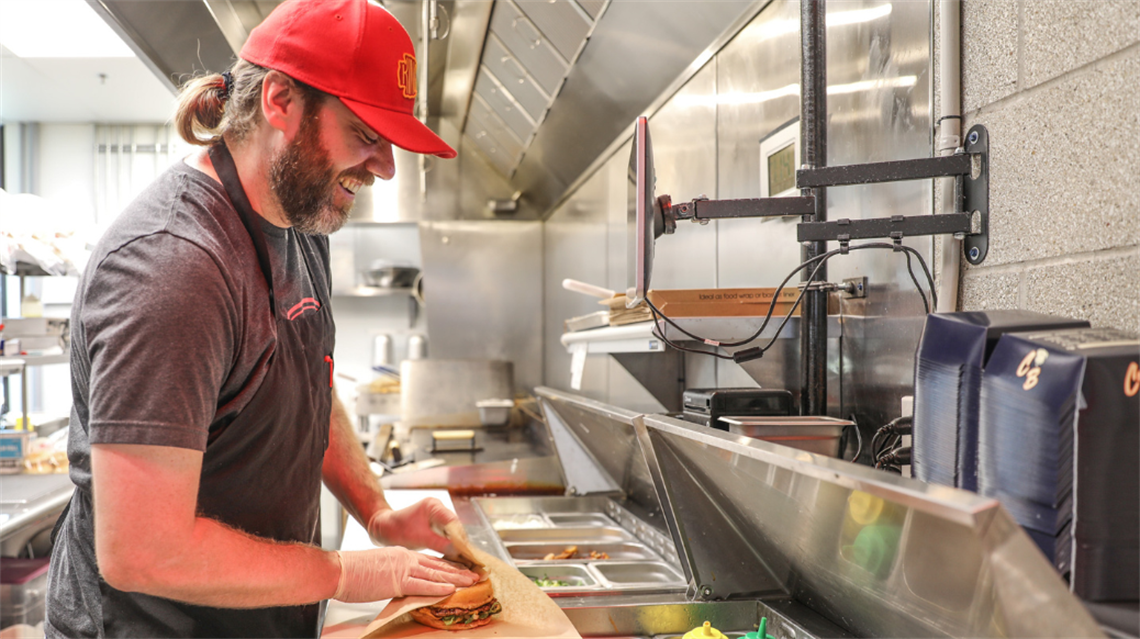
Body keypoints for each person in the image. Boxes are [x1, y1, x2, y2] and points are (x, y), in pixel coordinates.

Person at [45, 1, 476, 637]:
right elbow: (142, 551)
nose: (385, 167)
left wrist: (376, 511)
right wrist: (346, 573)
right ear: (280, 101)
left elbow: (307, 388)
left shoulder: (299, 224)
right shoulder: (174, 267)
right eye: (364, 134)